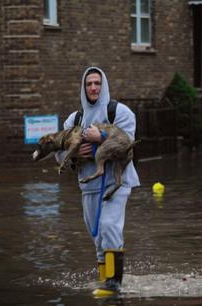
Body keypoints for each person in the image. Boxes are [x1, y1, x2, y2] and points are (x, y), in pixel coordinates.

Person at [56, 67, 140, 297]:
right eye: (89, 84)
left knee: (109, 226)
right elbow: (59, 154)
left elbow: (128, 143)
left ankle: (113, 284)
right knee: (97, 237)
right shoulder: (74, 119)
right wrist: (75, 155)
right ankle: (105, 279)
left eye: (97, 83)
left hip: (116, 182)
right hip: (88, 185)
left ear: (104, 86)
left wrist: (101, 137)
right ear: (83, 88)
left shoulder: (120, 112)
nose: (93, 87)